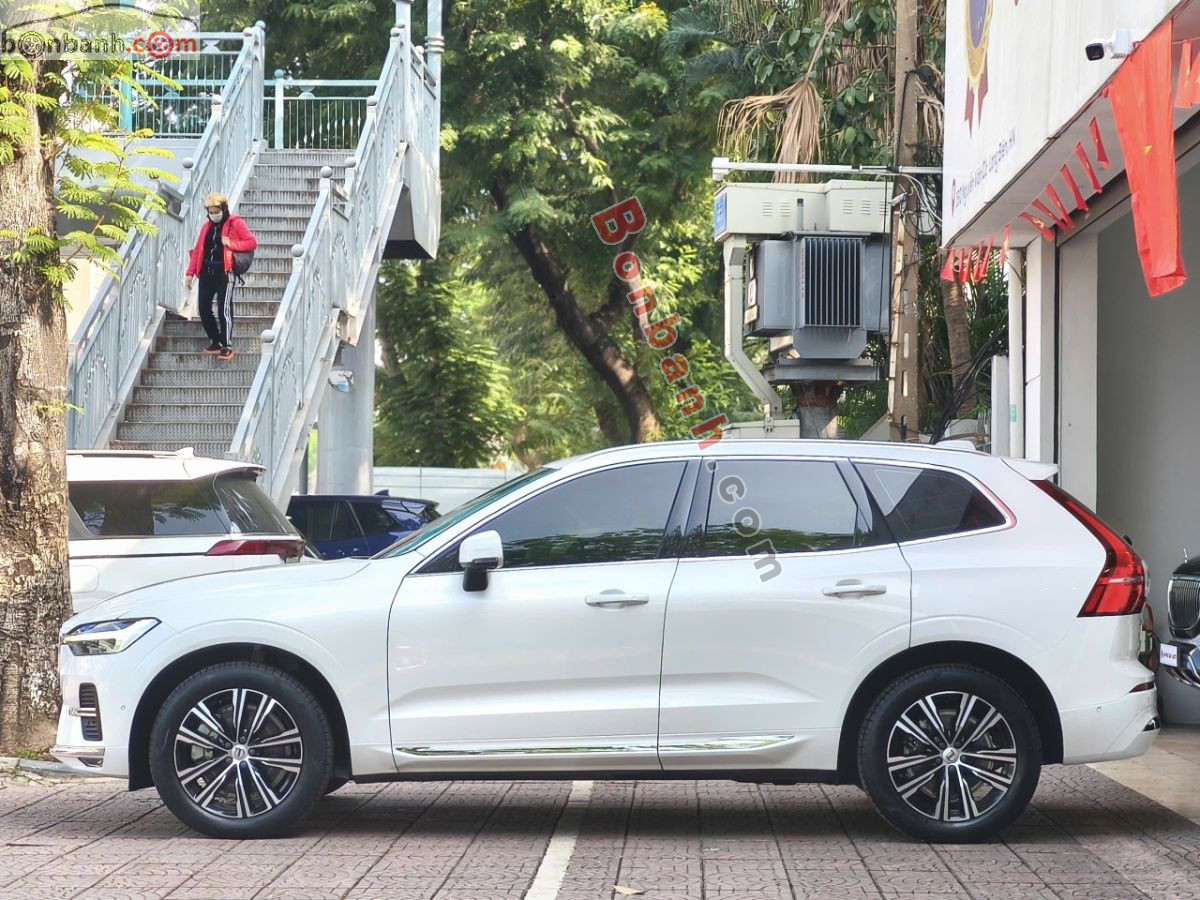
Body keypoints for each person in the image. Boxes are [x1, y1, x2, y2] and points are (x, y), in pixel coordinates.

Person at [184, 193, 257, 361]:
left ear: (224, 209)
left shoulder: (235, 223)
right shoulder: (206, 227)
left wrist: (231, 243)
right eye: (210, 212)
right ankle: (215, 340)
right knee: (203, 308)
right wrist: (190, 273)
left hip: (224, 273)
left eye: (216, 211)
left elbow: (251, 243)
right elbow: (198, 250)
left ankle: (226, 345)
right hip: (206, 272)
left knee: (224, 309)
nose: (213, 214)